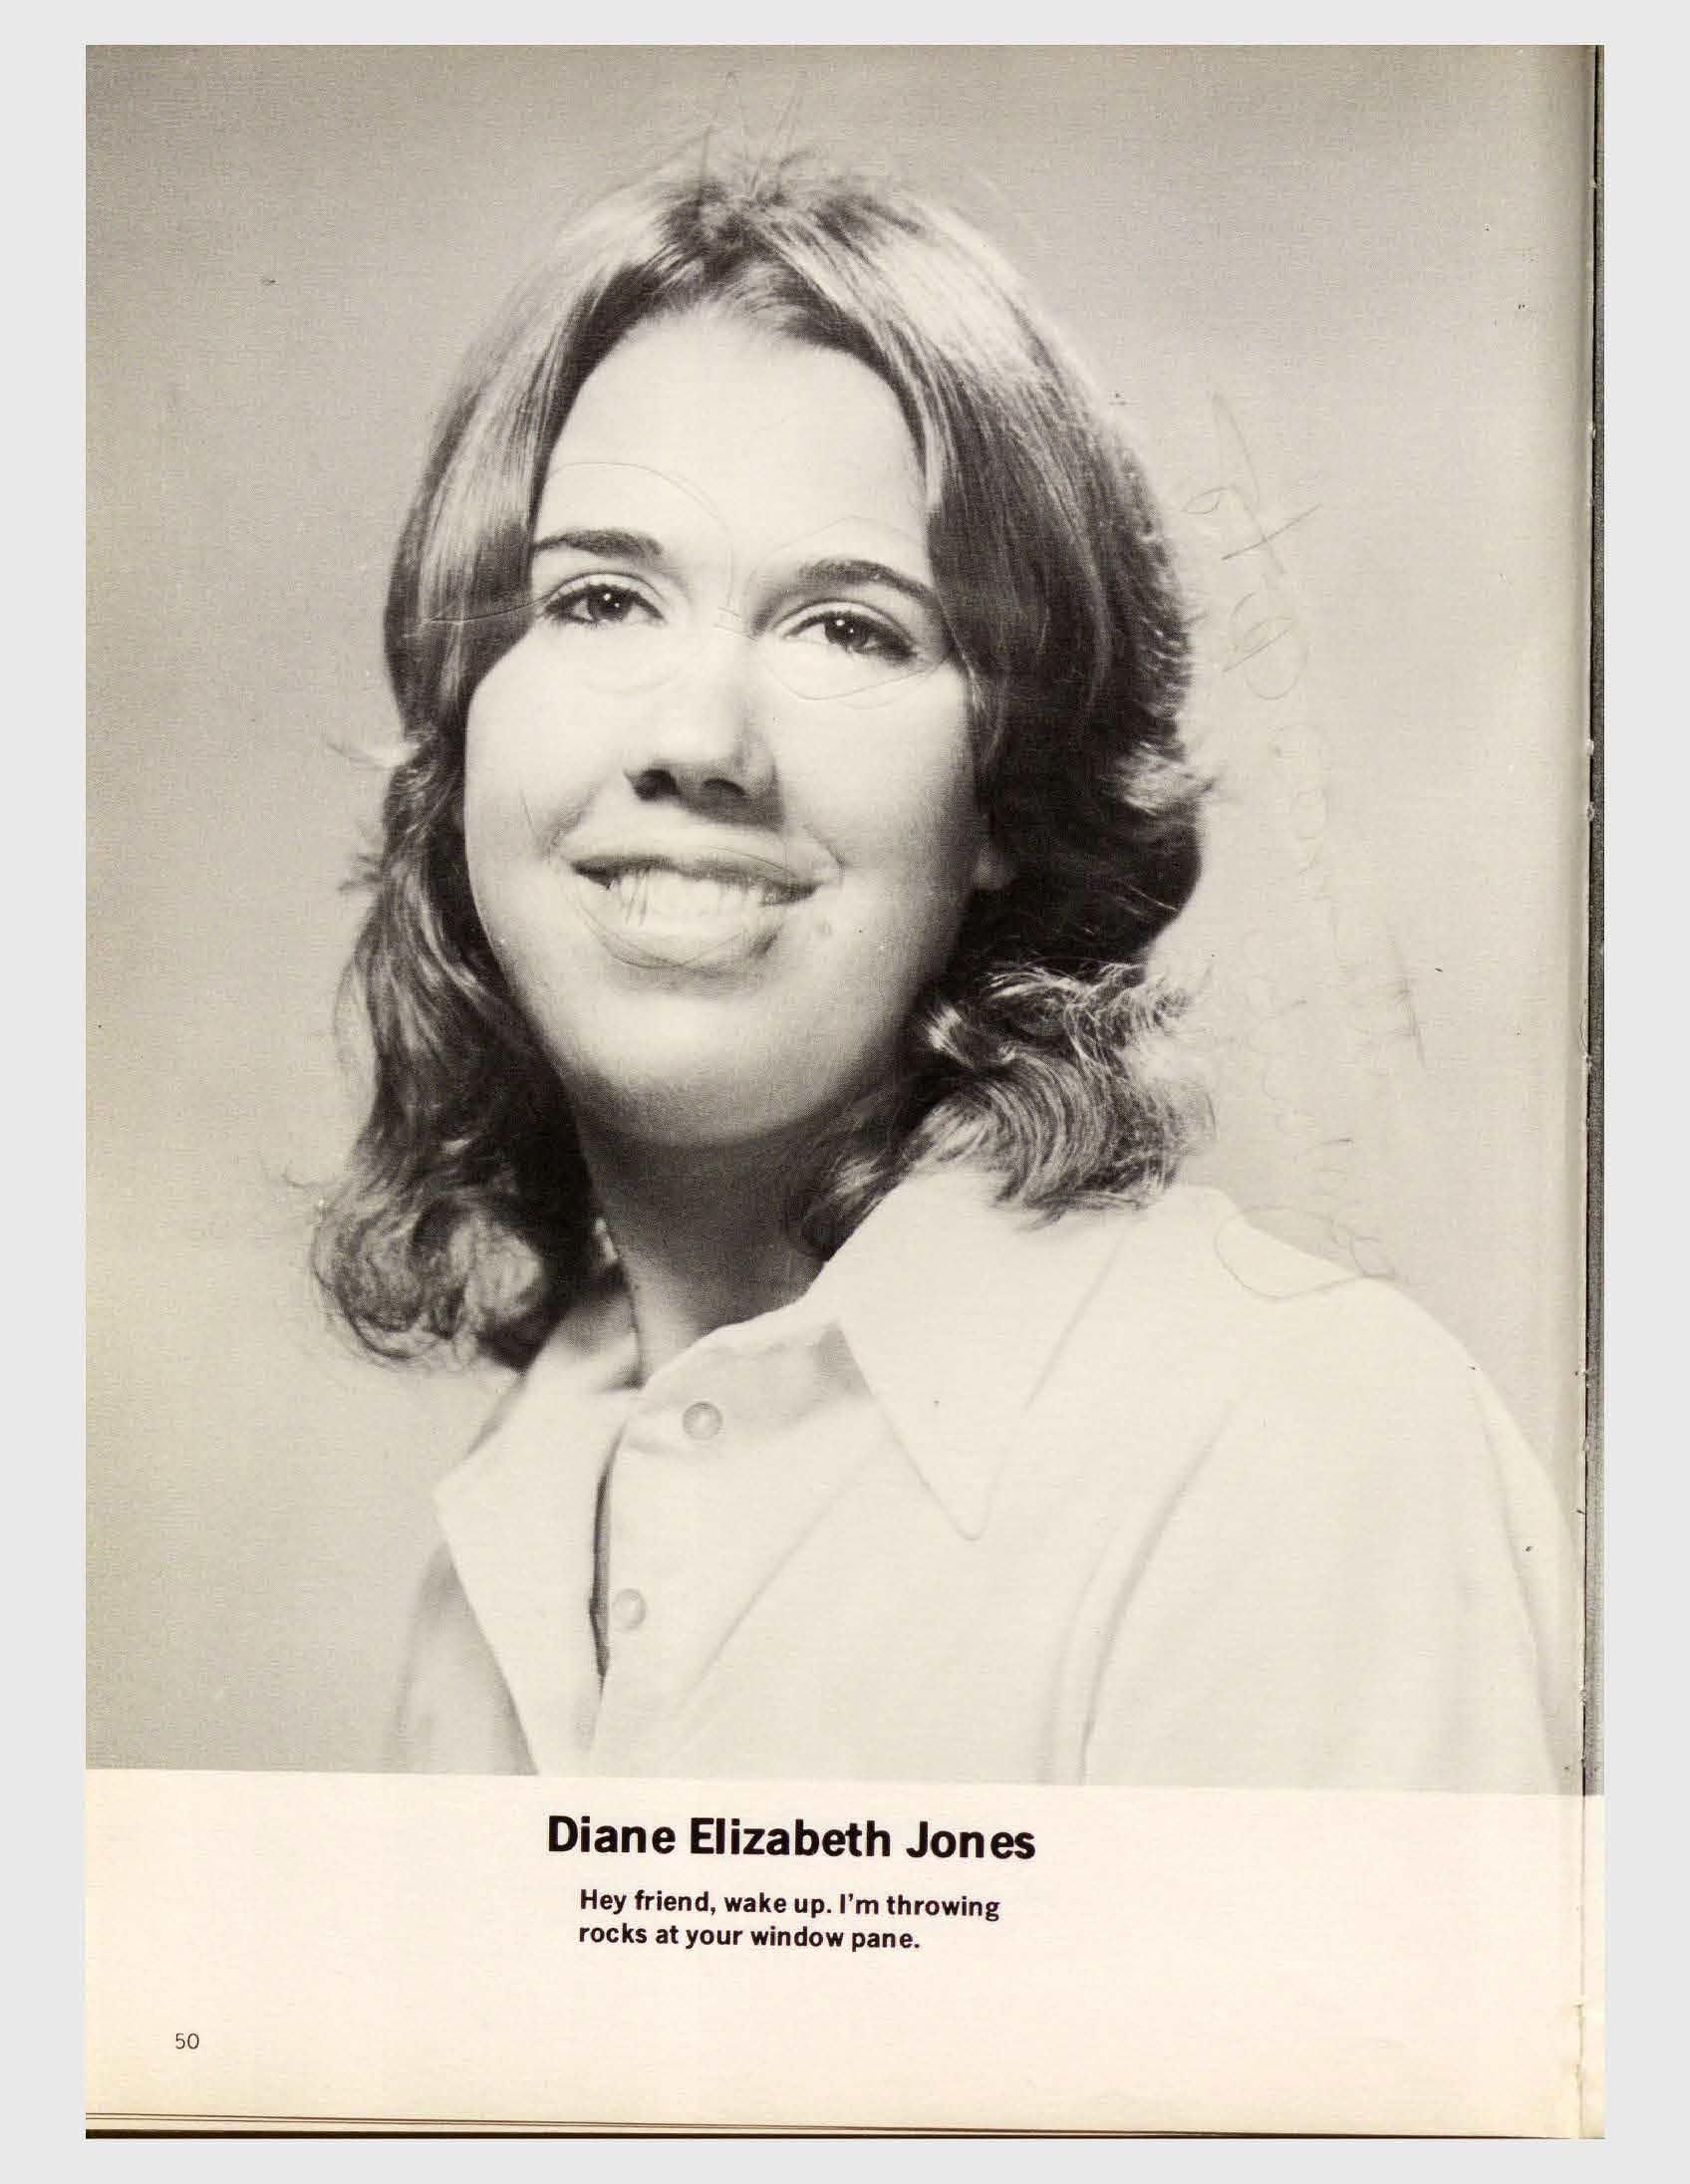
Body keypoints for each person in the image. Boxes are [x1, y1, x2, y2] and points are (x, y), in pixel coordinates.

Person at [316, 156, 1577, 1789]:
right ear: (466, 723)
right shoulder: (509, 1534)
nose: (698, 738)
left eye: (851, 628)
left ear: (1005, 792)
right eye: (602, 599)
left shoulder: (1298, 1447)